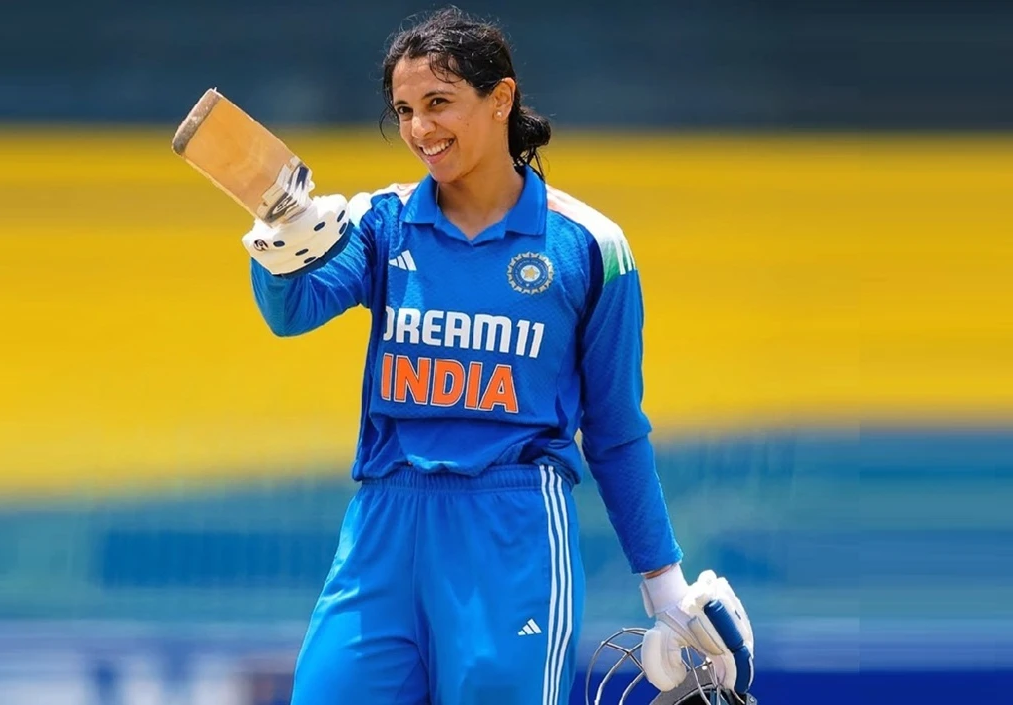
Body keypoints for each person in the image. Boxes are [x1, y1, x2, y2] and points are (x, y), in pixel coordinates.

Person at [240, 7, 755, 705]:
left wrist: (664, 586)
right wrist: (279, 237)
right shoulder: (381, 221)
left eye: (438, 103)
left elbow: (615, 429)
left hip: (512, 531)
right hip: (384, 524)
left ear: (501, 98)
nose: (419, 128)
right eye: (405, 111)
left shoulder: (589, 246)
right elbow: (293, 311)